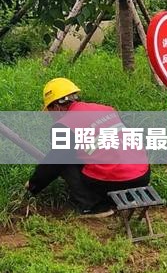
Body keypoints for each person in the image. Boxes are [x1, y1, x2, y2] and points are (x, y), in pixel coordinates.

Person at [26, 78, 150, 217]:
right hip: (142, 176)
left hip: (116, 182)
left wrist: (33, 186)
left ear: (57, 107)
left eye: (50, 110)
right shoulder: (106, 109)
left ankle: (93, 206)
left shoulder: (65, 125)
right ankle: (128, 197)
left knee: (65, 163)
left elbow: (54, 163)